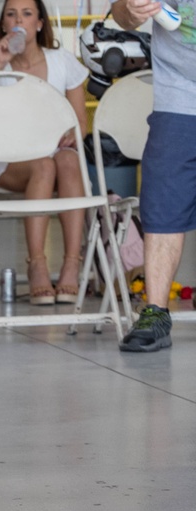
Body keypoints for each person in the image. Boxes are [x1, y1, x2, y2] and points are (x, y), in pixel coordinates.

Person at [0, 0, 90, 306]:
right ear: (4, 25)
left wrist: (71, 135)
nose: (18, 19)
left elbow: (79, 124)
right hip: (7, 160)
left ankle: (71, 265)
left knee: (66, 159)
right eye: (11, 14)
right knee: (45, 166)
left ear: (39, 23)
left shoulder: (62, 60)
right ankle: (36, 265)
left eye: (26, 13)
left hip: (53, 156)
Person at [114, 0, 195, 351]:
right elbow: (121, 13)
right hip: (179, 96)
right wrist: (132, 11)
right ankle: (155, 311)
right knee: (162, 201)